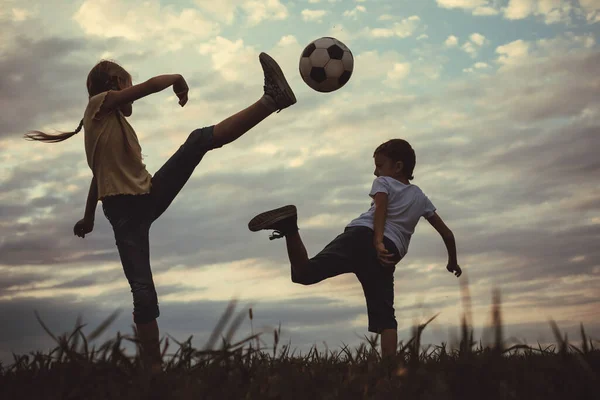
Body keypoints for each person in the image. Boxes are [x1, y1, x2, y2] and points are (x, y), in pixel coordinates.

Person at [24, 52, 296, 372]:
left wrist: (89, 217)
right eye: (126, 82)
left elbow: (100, 176)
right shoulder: (100, 103)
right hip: (130, 209)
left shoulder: (107, 124)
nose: (130, 91)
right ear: (115, 85)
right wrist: (176, 80)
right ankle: (154, 368)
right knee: (142, 289)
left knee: (197, 141)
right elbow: (150, 86)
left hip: (140, 200)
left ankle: (271, 99)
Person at [248, 139, 462, 359]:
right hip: (388, 253)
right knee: (386, 318)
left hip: (361, 237)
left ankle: (290, 228)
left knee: (305, 273)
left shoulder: (385, 184)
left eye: (379, 166)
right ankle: (391, 373)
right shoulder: (421, 198)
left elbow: (380, 209)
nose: (375, 172)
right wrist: (452, 261)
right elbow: (447, 233)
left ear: (397, 166)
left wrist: (377, 240)